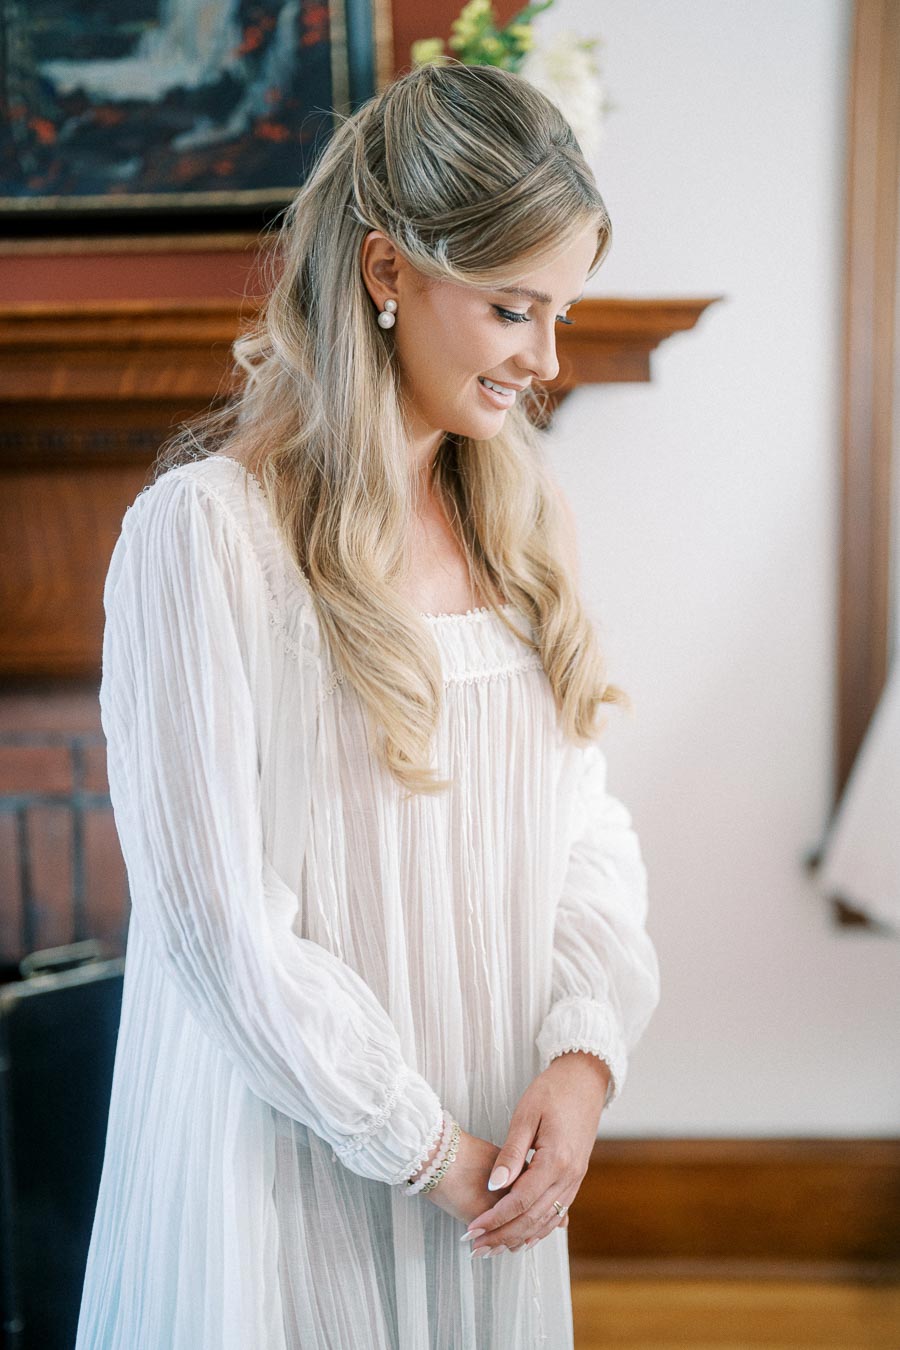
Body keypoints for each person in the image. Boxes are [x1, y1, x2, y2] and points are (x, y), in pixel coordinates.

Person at [75, 59, 661, 1350]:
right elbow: (223, 928)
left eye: (563, 312)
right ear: (388, 273)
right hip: (292, 1181)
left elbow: (585, 829)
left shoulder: (526, 522)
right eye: (515, 307)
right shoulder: (205, 541)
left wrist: (581, 1050)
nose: (546, 361)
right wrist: (422, 1145)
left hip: (489, 1172)